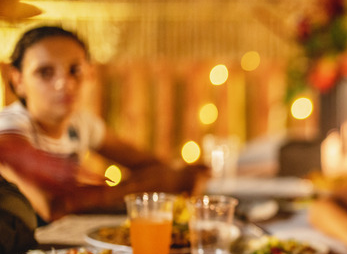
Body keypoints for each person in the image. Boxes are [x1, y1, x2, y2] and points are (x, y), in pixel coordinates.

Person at [0, 25, 208, 225]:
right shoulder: (10, 125)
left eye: (75, 70)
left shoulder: (80, 124)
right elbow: (52, 209)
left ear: (90, 73)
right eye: (45, 72)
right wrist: (143, 187)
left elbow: (151, 165)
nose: (64, 83)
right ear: (18, 80)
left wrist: (168, 178)